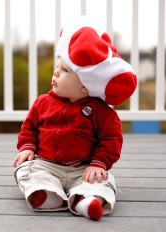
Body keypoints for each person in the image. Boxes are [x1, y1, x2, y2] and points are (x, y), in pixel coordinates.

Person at [13, 16, 137, 221]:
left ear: (85, 85)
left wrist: (99, 164)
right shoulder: (43, 103)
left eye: (64, 70)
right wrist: (27, 146)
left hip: (84, 168)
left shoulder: (102, 112)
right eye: (58, 66)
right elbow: (30, 128)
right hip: (46, 164)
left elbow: (111, 140)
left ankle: (86, 200)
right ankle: (47, 194)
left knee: (103, 181)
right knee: (26, 169)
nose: (55, 72)